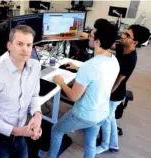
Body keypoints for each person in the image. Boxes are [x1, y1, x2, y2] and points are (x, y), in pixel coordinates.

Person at [46, 19, 120, 158]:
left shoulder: (90, 66)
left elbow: (73, 97)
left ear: (97, 42)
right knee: (90, 142)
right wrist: (78, 68)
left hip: (84, 114)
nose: (88, 37)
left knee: (56, 130)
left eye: (90, 35)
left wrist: (61, 82)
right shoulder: (113, 60)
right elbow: (99, 74)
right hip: (101, 112)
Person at [0, 25, 42, 158]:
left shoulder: (35, 67)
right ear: (9, 45)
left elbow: (34, 95)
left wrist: (37, 115)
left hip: (20, 135)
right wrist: (16, 131)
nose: (25, 49)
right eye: (20, 44)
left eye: (29, 45)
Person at [96, 25, 150, 154]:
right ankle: (114, 144)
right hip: (115, 92)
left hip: (115, 93)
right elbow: (110, 45)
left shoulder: (130, 59)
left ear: (135, 42)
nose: (123, 36)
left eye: (127, 35)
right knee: (111, 119)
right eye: (124, 33)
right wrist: (92, 36)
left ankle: (105, 145)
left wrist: (105, 94)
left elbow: (117, 82)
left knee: (107, 119)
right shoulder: (123, 48)